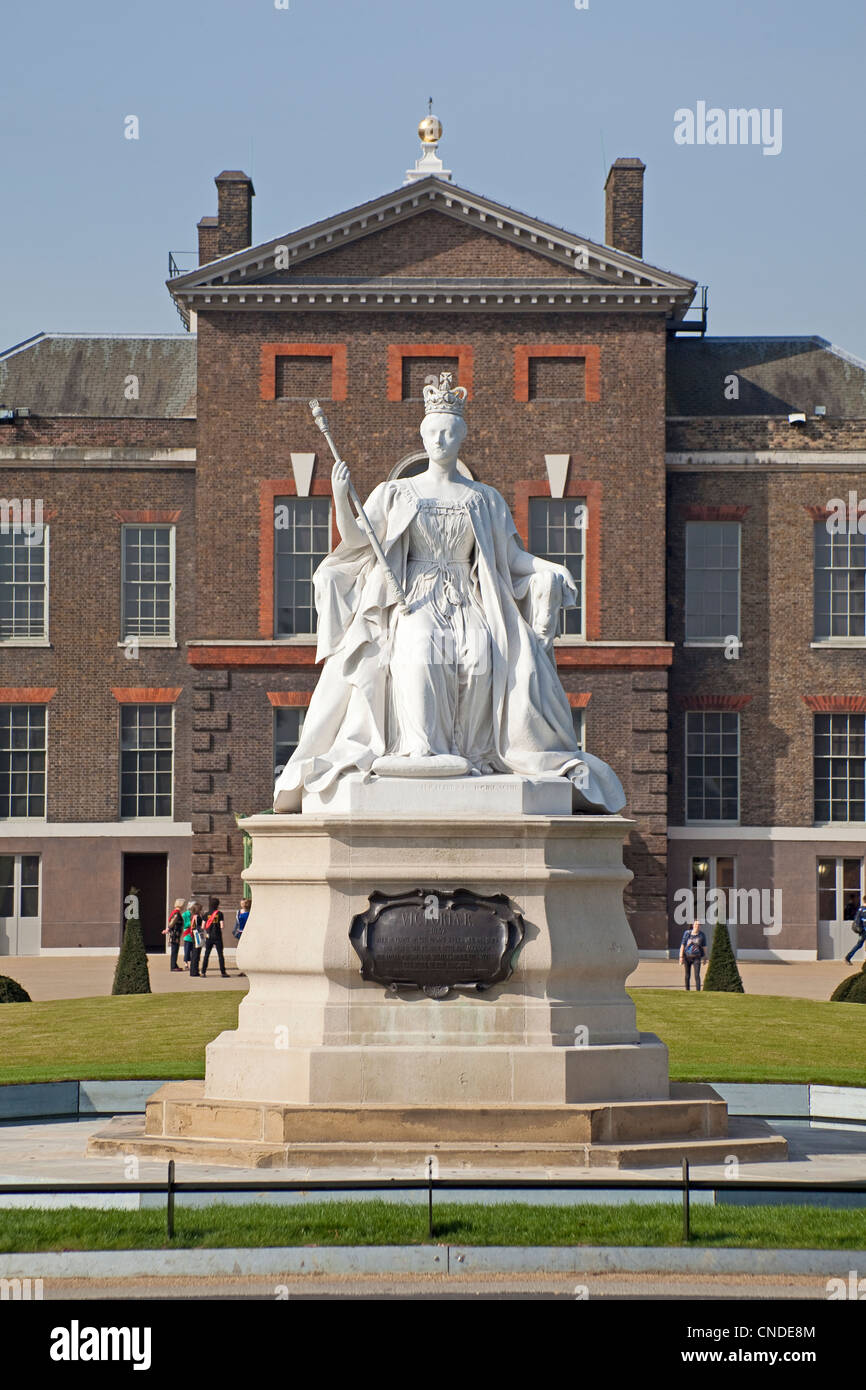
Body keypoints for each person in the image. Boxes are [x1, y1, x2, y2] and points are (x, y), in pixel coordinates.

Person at [273, 373, 625, 815]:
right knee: (419, 647)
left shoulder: (484, 498)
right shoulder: (398, 492)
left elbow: (511, 557)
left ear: (461, 438)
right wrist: (341, 497)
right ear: (423, 437)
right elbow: (359, 540)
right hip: (413, 595)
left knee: (480, 651)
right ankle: (421, 750)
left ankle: (475, 755)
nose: (441, 440)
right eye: (433, 433)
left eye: (449, 432)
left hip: (468, 594)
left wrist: (547, 567)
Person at [201, 896, 228, 978]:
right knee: (220, 954)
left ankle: (203, 972)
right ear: (217, 905)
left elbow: (203, 926)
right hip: (217, 936)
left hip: (209, 936)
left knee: (206, 954)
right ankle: (223, 972)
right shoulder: (219, 914)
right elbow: (222, 926)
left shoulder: (206, 914)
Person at [679, 919, 707, 991]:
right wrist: (681, 957)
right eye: (695, 924)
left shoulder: (702, 935)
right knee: (687, 975)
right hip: (687, 957)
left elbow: (704, 946)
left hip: (697, 957)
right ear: (692, 925)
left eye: (698, 924)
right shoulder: (687, 933)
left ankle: (698, 991)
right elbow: (682, 945)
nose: (697, 926)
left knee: (697, 975)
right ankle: (687, 990)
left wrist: (705, 957)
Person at [163, 898, 185, 972]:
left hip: (175, 934)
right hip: (175, 935)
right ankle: (173, 966)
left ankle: (175, 965)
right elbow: (172, 923)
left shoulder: (176, 912)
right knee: (174, 951)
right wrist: (167, 929)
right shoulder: (177, 913)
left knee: (175, 950)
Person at [845, 894, 866, 964]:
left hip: (861, 930)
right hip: (864, 930)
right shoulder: (864, 910)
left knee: (859, 945)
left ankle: (848, 957)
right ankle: (848, 957)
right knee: (859, 944)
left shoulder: (860, 909)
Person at [187, 901, 204, 978]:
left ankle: (193, 970)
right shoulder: (198, 917)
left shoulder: (193, 916)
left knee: (194, 953)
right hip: (197, 935)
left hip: (193, 935)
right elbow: (200, 927)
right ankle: (194, 971)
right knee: (196, 954)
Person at [180, 900, 195, 970]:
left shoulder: (195, 915)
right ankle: (186, 964)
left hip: (194, 935)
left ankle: (193, 963)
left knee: (193, 950)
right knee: (187, 950)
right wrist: (190, 923)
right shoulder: (185, 915)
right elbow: (183, 925)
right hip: (187, 935)